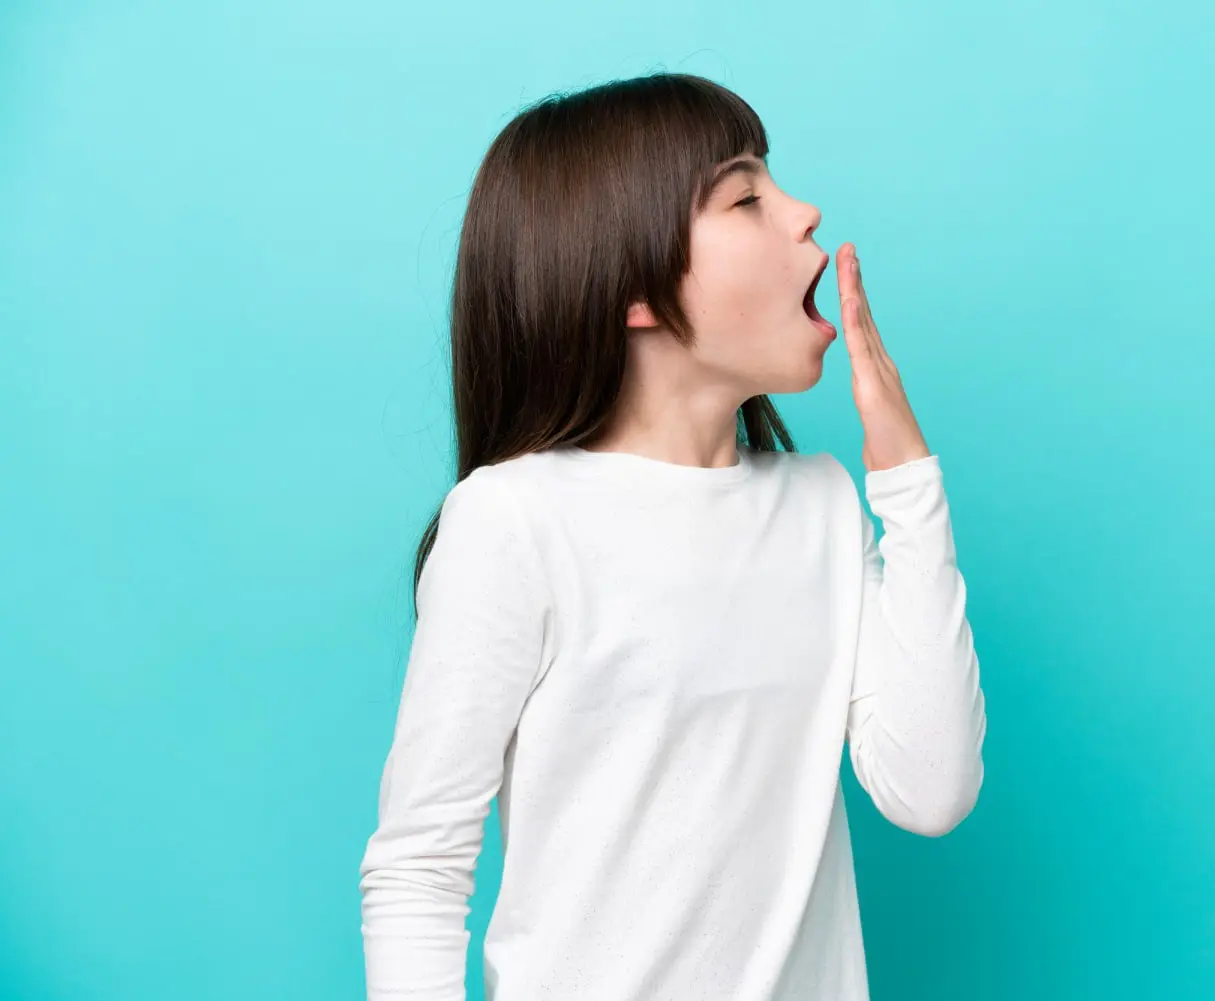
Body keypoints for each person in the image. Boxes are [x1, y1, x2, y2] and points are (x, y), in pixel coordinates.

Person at [357, 71, 987, 1001]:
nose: (804, 211)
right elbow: (418, 869)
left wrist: (906, 479)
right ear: (635, 291)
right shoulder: (514, 521)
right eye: (746, 197)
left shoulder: (819, 507)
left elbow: (930, 789)